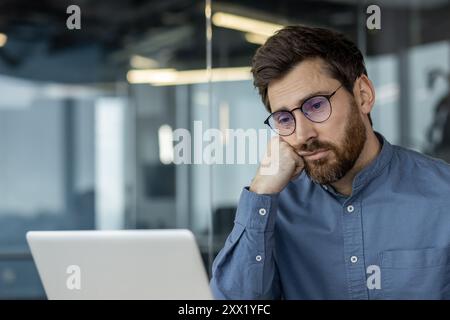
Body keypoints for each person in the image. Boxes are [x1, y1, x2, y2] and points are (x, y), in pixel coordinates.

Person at [210, 25, 450, 300]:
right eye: (285, 119)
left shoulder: (444, 196)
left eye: (316, 106)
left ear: (363, 95)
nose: (302, 135)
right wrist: (261, 191)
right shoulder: (273, 212)